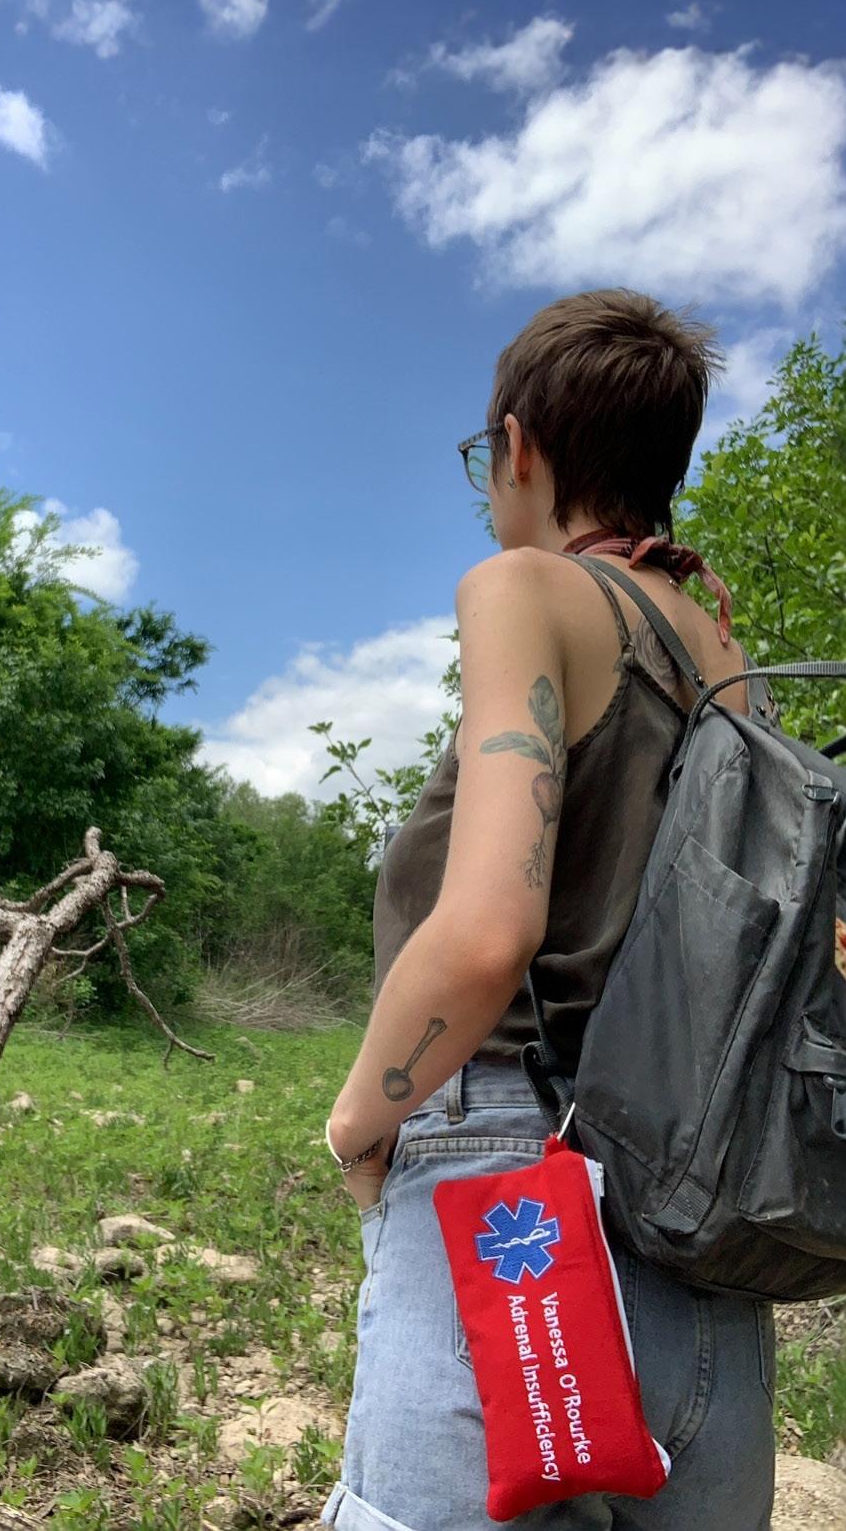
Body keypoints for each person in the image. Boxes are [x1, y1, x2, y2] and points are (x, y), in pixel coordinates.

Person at [320, 288, 777, 1531]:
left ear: (517, 448)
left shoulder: (522, 589)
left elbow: (486, 933)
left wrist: (360, 1123)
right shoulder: (728, 662)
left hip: (513, 1199)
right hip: (701, 1242)